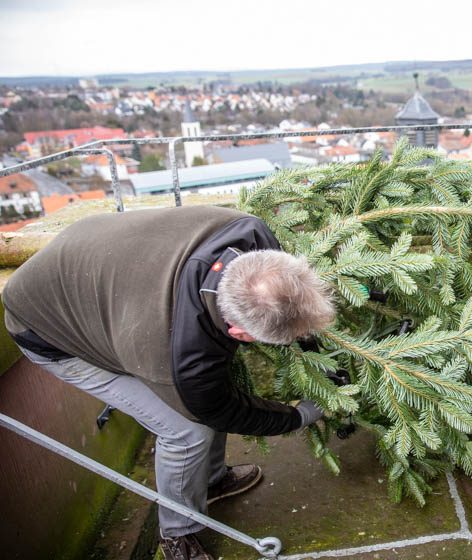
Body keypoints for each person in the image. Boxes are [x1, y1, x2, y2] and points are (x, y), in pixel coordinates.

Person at [2, 205, 335, 560]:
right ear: (238, 331)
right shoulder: (178, 358)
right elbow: (219, 410)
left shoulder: (251, 233)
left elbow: (280, 312)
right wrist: (299, 415)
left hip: (94, 261)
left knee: (206, 400)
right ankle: (178, 533)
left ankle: (211, 481)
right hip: (47, 325)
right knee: (185, 431)